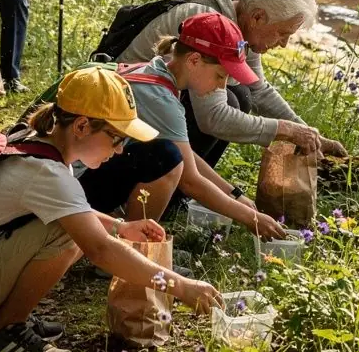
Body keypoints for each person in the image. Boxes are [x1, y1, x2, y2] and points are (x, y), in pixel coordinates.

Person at [0, 66, 224, 352]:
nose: (121, 150)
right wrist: (182, 286)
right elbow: (99, 249)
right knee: (70, 234)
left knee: (75, 226)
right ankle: (1, 334)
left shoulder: (43, 145)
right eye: (116, 138)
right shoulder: (47, 173)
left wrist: (120, 227)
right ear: (81, 126)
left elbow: (77, 211)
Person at [78, 17, 287, 238]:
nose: (222, 87)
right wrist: (251, 218)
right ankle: (133, 246)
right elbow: (190, 181)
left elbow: (188, 156)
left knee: (170, 153)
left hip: (79, 177)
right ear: (194, 60)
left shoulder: (158, 70)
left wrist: (235, 194)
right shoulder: (161, 99)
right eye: (220, 76)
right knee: (166, 158)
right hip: (76, 192)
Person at [114, 0, 347, 166]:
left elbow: (258, 90)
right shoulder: (212, 28)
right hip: (124, 113)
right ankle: (169, 181)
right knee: (235, 101)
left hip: (154, 104)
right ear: (257, 17)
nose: (284, 43)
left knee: (242, 95)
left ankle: (180, 185)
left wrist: (307, 133)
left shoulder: (243, 26)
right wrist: (285, 130)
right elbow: (213, 117)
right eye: (282, 33)